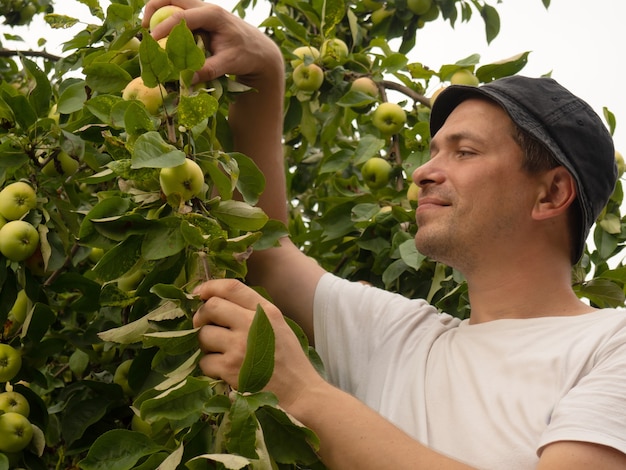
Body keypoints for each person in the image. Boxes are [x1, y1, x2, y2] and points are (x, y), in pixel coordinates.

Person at [143, 1, 626, 468]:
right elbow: (266, 253)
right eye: (432, 151)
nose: (422, 173)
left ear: (550, 194)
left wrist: (303, 392)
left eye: (465, 152)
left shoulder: (610, 346)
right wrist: (264, 70)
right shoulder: (401, 337)